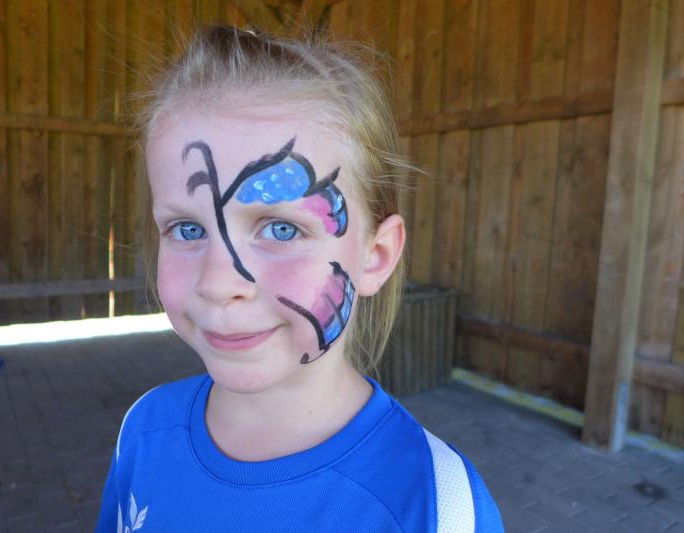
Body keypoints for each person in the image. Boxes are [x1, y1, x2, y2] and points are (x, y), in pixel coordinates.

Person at [97, 25, 503, 533]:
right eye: (187, 229)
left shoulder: (438, 507)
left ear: (375, 257)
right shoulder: (143, 432)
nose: (218, 284)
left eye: (282, 229)